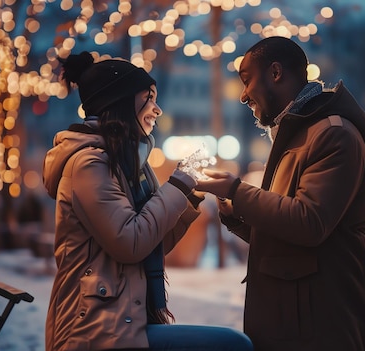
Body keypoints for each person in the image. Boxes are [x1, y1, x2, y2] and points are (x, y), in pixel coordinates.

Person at [42, 51, 253, 351]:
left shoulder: (128, 166)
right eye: (149, 98)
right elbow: (131, 243)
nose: (157, 109)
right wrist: (178, 185)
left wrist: (189, 196)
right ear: (121, 103)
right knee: (233, 346)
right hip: (92, 332)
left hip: (122, 322)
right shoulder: (89, 165)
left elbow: (154, 245)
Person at [196, 36, 365, 350]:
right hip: (294, 324)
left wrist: (236, 191)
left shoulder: (333, 134)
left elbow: (309, 223)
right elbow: (286, 234)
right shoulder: (297, 136)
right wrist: (234, 214)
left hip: (321, 328)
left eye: (247, 80)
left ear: (276, 73)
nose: (242, 95)